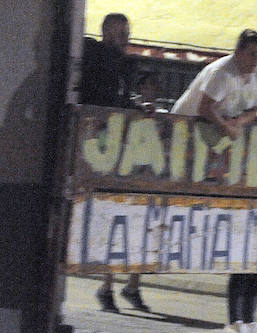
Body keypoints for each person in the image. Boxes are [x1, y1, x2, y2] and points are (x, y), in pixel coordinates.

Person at [170, 29, 257, 333]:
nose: (256, 60)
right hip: (187, 139)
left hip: (222, 146)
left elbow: (253, 110)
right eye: (252, 54)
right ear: (239, 51)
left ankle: (248, 319)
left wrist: (236, 125)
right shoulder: (220, 72)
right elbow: (205, 108)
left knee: (252, 252)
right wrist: (226, 126)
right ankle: (235, 320)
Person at [80, 13, 151, 314]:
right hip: (94, 152)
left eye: (128, 32)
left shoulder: (122, 64)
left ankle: (115, 286)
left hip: (113, 152)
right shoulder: (95, 54)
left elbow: (117, 99)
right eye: (121, 32)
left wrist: (136, 107)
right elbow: (100, 95)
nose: (126, 37)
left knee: (123, 217)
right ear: (107, 31)